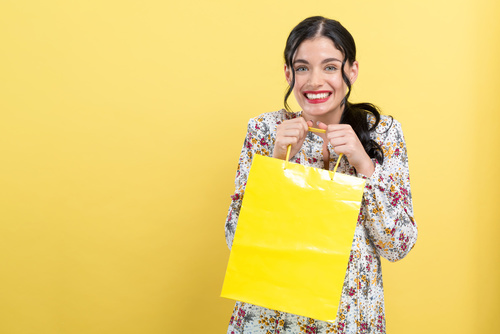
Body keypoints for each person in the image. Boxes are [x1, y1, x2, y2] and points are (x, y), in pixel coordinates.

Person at [224, 16, 417, 334]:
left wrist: (363, 162)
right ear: (288, 73)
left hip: (349, 319)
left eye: (329, 67)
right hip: (273, 319)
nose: (314, 81)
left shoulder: (381, 132)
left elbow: (398, 245)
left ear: (351, 70)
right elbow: (237, 240)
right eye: (302, 68)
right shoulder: (265, 130)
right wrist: (275, 163)